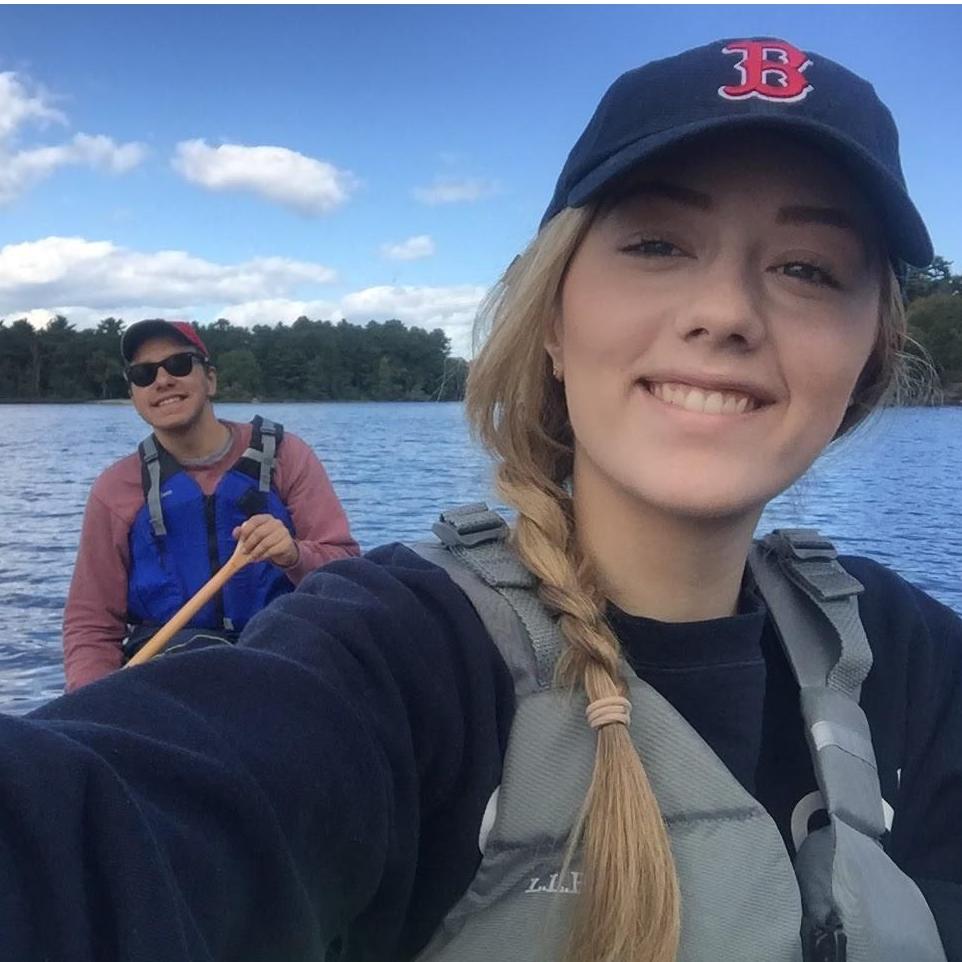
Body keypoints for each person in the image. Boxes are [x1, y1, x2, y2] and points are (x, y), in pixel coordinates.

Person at [4, 36, 960, 962]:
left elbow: (321, 552)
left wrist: (288, 556)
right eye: (659, 243)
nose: (728, 312)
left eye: (807, 269)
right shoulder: (397, 664)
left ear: (869, 351)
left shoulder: (916, 668)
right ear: (551, 319)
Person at [62, 318, 360, 690]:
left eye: (179, 365)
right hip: (169, 680)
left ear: (211, 380)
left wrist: (293, 555)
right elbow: (91, 624)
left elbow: (347, 572)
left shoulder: (288, 457)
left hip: (281, 664)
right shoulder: (114, 490)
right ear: (135, 395)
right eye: (143, 373)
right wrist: (91, 706)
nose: (163, 380)